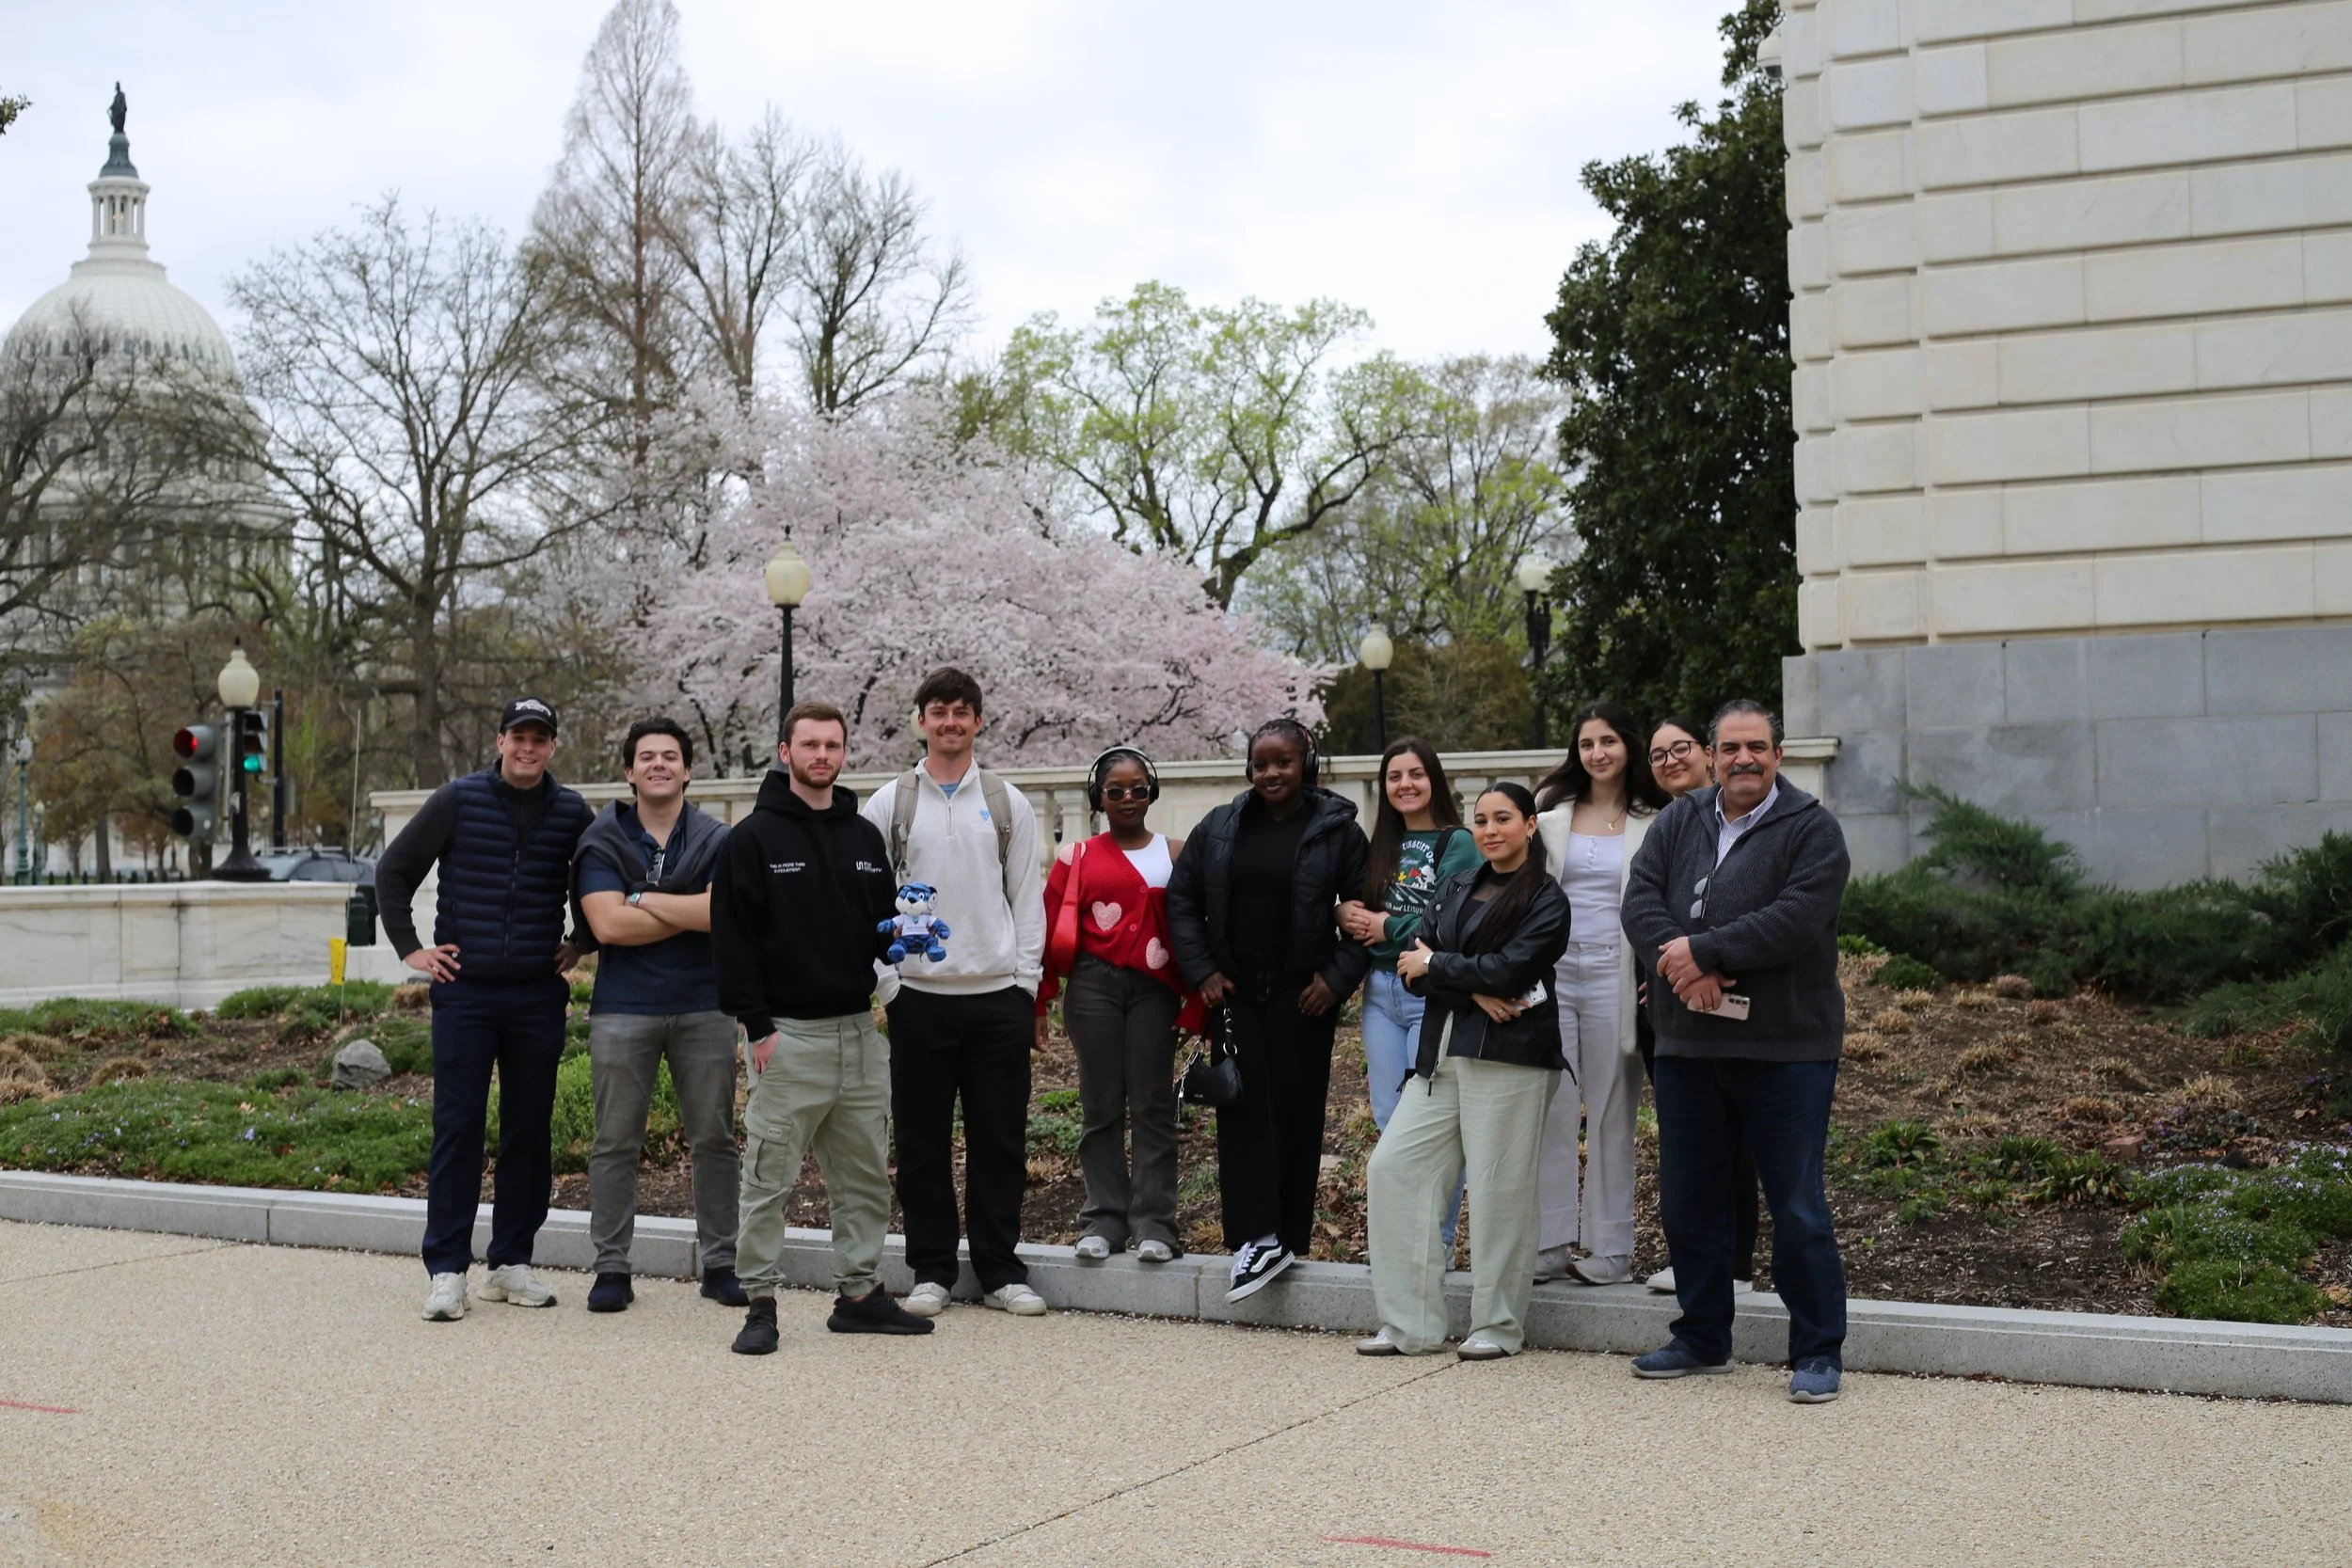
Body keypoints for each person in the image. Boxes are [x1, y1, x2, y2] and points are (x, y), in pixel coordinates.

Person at [1620, 699, 1853, 1403]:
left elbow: (1795, 918)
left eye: (1757, 746)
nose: (1743, 758)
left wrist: (1706, 950)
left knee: (1796, 1203)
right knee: (1690, 1198)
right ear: (1714, 756)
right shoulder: (1677, 819)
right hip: (1688, 1043)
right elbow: (1640, 901)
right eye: (1731, 747)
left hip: (1786, 1048)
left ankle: (1816, 1349)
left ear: (1778, 755)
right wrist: (1677, 962)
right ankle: (1701, 1336)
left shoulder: (1813, 830)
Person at [711, 700, 935, 1353]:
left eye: (832, 745)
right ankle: (759, 1301)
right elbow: (732, 944)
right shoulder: (751, 839)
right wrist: (758, 1027)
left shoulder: (863, 837)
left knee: (864, 1173)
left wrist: (907, 940)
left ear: (843, 752)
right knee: (768, 1176)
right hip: (787, 1035)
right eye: (808, 744)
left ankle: (860, 1294)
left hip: (858, 1035)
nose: (821, 756)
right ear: (785, 753)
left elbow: (879, 926)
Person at [376, 697, 590, 1323]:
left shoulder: (573, 811)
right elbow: (394, 871)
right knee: (459, 1127)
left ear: (552, 746)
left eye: (540, 738)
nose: (528, 747)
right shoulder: (457, 800)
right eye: (518, 736)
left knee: (529, 1130)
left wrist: (582, 940)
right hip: (465, 993)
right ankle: (446, 1269)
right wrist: (412, 949)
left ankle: (510, 1261)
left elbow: (605, 879)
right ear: (499, 740)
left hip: (535, 993)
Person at [861, 668, 1049, 1319]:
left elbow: (1028, 898)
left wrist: (1024, 986)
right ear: (919, 719)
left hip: (997, 997)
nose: (950, 721)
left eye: (962, 711)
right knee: (921, 1141)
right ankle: (932, 1268)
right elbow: (866, 902)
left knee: (1001, 1139)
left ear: (978, 721)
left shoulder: (1005, 802)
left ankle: (1001, 1268)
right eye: (938, 710)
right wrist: (890, 987)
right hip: (919, 998)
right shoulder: (889, 803)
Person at [1362, 784, 1571, 1361]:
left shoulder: (1546, 899)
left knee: (1500, 1191)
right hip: (1441, 1053)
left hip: (1510, 1059)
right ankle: (1411, 1326)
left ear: (1530, 825)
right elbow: (1410, 969)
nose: (1489, 829)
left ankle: (1497, 1326)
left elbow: (1512, 969)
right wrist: (1473, 988)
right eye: (1480, 820)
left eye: (1503, 818)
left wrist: (1446, 969)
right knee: (1394, 1169)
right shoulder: (1456, 885)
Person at [1167, 718, 1370, 1304]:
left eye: (1282, 761)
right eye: (1260, 763)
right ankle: (1255, 1236)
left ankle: (1285, 1236)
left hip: (1303, 994)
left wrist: (1333, 981)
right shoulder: (1223, 825)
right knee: (1242, 1107)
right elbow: (1182, 896)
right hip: (1235, 992)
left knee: (1296, 1108)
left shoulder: (1338, 831)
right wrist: (1202, 969)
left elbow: (1362, 916)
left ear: (1306, 760)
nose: (1271, 773)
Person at [571, 717, 743, 1314]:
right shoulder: (602, 840)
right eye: (647, 757)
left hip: (706, 1004)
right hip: (625, 1009)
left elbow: (726, 915)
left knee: (715, 1140)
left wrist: (641, 896)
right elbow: (607, 925)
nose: (659, 764)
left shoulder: (719, 839)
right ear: (629, 771)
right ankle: (612, 1268)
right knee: (615, 1142)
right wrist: (685, 907)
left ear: (689, 770)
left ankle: (722, 1263)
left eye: (670, 756)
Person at [1036, 747, 1195, 1263]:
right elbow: (1043, 929)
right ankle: (1102, 1220)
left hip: (1155, 990)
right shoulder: (1075, 857)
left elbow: (1195, 927)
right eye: (1116, 791)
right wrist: (1039, 1001)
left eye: (1139, 789)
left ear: (1152, 793)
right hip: (1093, 987)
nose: (1128, 799)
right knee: (1100, 1104)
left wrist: (1201, 995)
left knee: (1151, 1104)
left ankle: (1155, 1223)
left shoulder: (1174, 854)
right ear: (1098, 797)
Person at [1531, 701, 1669, 1286]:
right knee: (1552, 1107)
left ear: (1627, 747)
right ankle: (1550, 1243)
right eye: (1587, 744)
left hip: (1620, 971)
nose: (1598, 754)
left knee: (1613, 1109)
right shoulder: (1552, 813)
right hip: (1556, 972)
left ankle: (1611, 1248)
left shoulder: (1655, 818)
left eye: (1608, 741)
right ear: (1576, 753)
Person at [1337, 737, 1481, 1245]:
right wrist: (1343, 913)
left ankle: (1435, 1243)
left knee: (1433, 1122)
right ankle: (1402, 1243)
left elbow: (1450, 918)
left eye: (1415, 774)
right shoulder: (1377, 845)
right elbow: (1353, 901)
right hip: (1380, 994)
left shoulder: (1457, 841)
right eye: (1394, 777)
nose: (1405, 785)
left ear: (1433, 780)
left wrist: (1386, 927)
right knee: (1389, 1118)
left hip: (1429, 994)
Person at [1638, 715, 1760, 1301]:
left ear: (1707, 755)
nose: (1668, 761)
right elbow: (1644, 905)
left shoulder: (1745, 822)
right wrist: (1668, 971)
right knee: (1687, 1142)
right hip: (1667, 1004)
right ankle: (1698, 1263)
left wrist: (1702, 963)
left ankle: (1736, 1263)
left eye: (1679, 748)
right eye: (1657, 754)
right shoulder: (1666, 823)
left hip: (1736, 1002)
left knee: (1736, 1143)